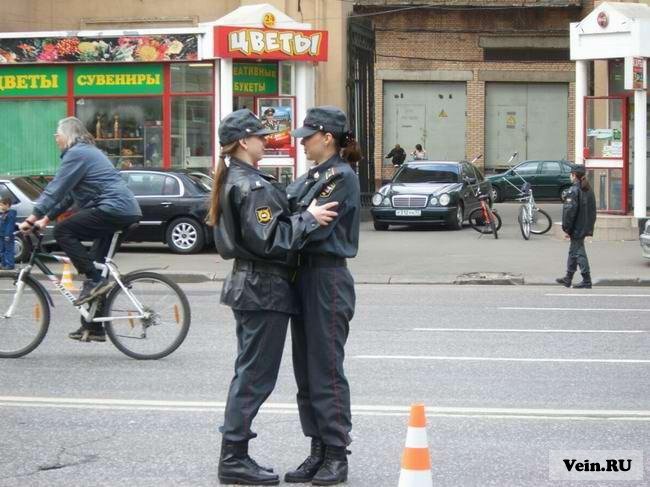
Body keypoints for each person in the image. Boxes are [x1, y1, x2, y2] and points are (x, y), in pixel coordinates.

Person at [208, 109, 338, 486]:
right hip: (263, 287)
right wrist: (309, 217)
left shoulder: (236, 178)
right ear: (244, 142)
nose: (267, 141)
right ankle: (233, 457)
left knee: (249, 374)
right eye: (261, 137)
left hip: (251, 285)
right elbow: (272, 239)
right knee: (254, 378)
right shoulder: (251, 184)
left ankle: (234, 455)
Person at [284, 106, 361, 486]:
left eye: (307, 137)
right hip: (304, 276)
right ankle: (316, 449)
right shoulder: (314, 175)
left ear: (327, 137)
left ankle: (336, 453)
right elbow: (290, 209)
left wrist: (297, 215)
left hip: (327, 278)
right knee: (305, 371)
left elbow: (305, 226)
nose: (302, 143)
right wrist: (298, 214)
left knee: (326, 370)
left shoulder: (340, 177)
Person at [18, 116, 142, 342]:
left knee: (64, 231)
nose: (55, 138)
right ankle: (94, 328)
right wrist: (45, 219)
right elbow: (68, 197)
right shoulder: (86, 153)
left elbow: (56, 188)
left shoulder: (77, 154)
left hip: (113, 209)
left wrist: (33, 216)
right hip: (121, 210)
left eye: (57, 134)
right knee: (96, 265)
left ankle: (96, 280)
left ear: (67, 134)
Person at [556, 163, 596, 289]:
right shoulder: (588, 189)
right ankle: (568, 277)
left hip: (577, 227)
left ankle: (586, 279)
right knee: (573, 251)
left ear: (574, 175)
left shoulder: (574, 190)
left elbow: (570, 211)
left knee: (579, 252)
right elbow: (592, 210)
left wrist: (567, 228)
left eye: (571, 174)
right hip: (584, 225)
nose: (570, 177)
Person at [0, 196, 17, 270]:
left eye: (1, 205)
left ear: (7, 205)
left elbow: (10, 225)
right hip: (1, 234)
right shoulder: (2, 213)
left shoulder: (11, 213)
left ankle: (10, 264)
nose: (0, 206)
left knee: (8, 250)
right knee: (1, 250)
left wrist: (8, 235)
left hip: (7, 235)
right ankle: (3, 264)